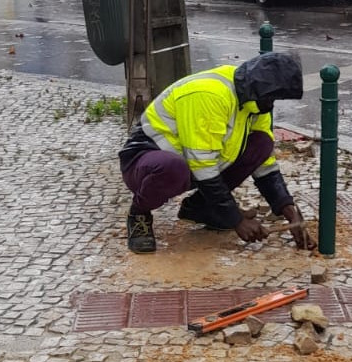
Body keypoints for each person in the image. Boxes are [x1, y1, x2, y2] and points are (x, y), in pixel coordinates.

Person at [117, 52, 317, 254]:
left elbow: (265, 164)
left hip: (191, 166)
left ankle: (200, 208)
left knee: (262, 143)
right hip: (144, 161)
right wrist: (236, 219)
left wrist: (289, 211)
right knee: (173, 167)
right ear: (262, 90)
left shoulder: (254, 103)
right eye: (274, 97)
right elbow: (202, 165)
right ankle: (139, 214)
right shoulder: (211, 95)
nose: (273, 104)